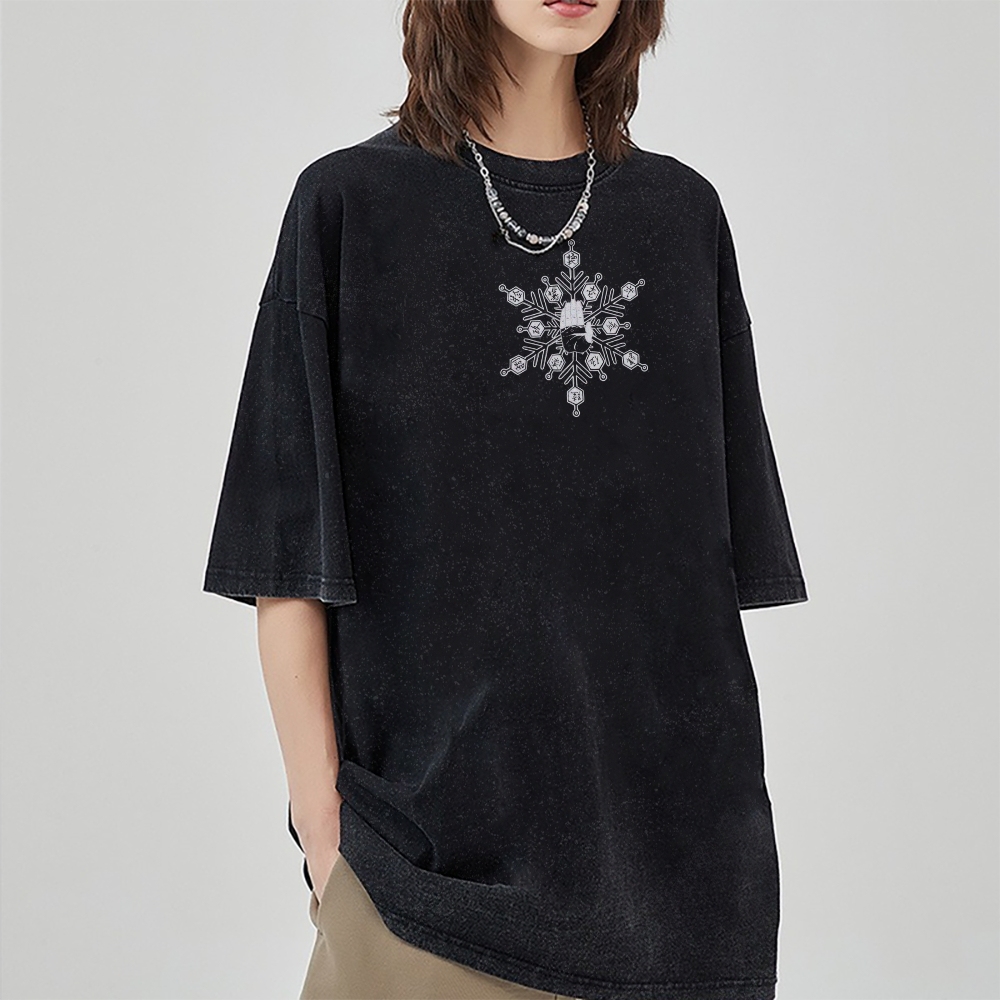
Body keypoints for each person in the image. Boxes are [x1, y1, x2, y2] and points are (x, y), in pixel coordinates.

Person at [202, 0, 808, 997]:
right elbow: (287, 559)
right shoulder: (350, 207)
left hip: (684, 902)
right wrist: (325, 836)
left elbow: (697, 588)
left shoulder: (680, 218)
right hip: (425, 893)